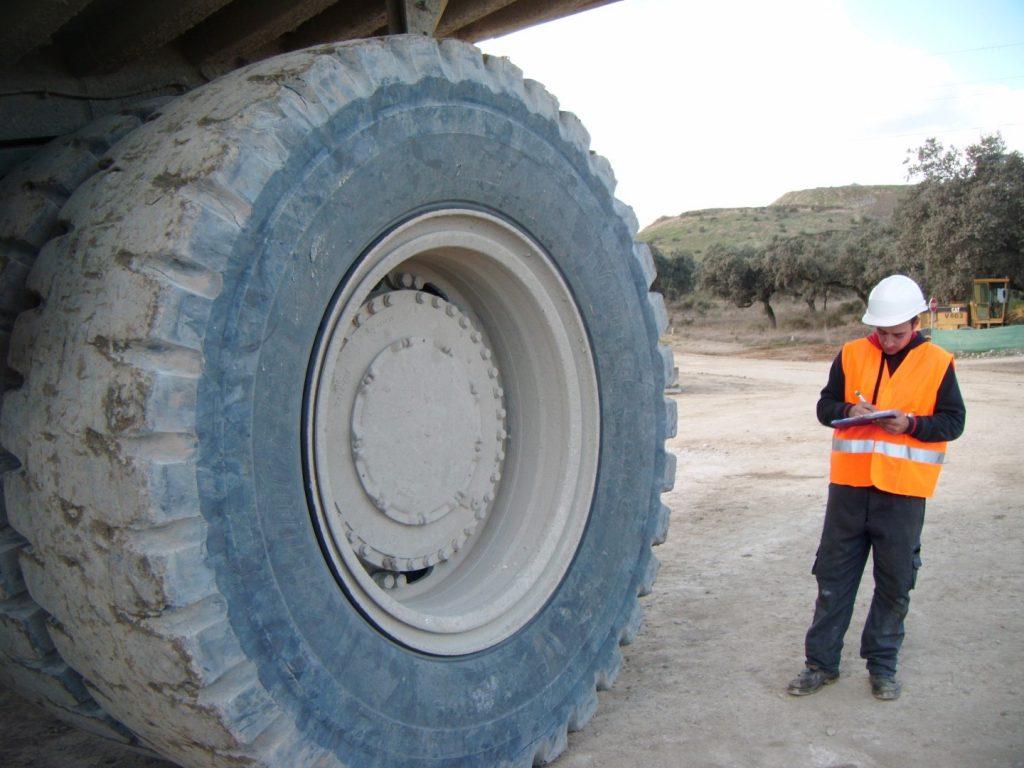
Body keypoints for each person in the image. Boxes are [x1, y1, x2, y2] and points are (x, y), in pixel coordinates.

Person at [787, 274, 966, 701]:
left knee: (894, 582)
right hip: (849, 492)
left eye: (896, 334)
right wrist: (849, 408)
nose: (887, 341)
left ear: (915, 323)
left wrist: (911, 424)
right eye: (881, 332)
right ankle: (820, 664)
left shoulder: (938, 362)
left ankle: (882, 667)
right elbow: (824, 407)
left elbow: (953, 422)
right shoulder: (850, 355)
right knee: (833, 578)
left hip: (902, 495)